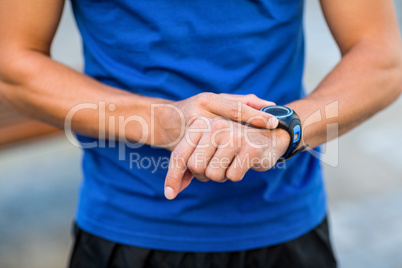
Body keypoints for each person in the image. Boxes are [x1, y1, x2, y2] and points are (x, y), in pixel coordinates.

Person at [0, 0, 401, 267]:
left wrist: (283, 129)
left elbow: (382, 58)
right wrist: (168, 122)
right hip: (127, 232)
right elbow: (13, 65)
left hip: (287, 226)